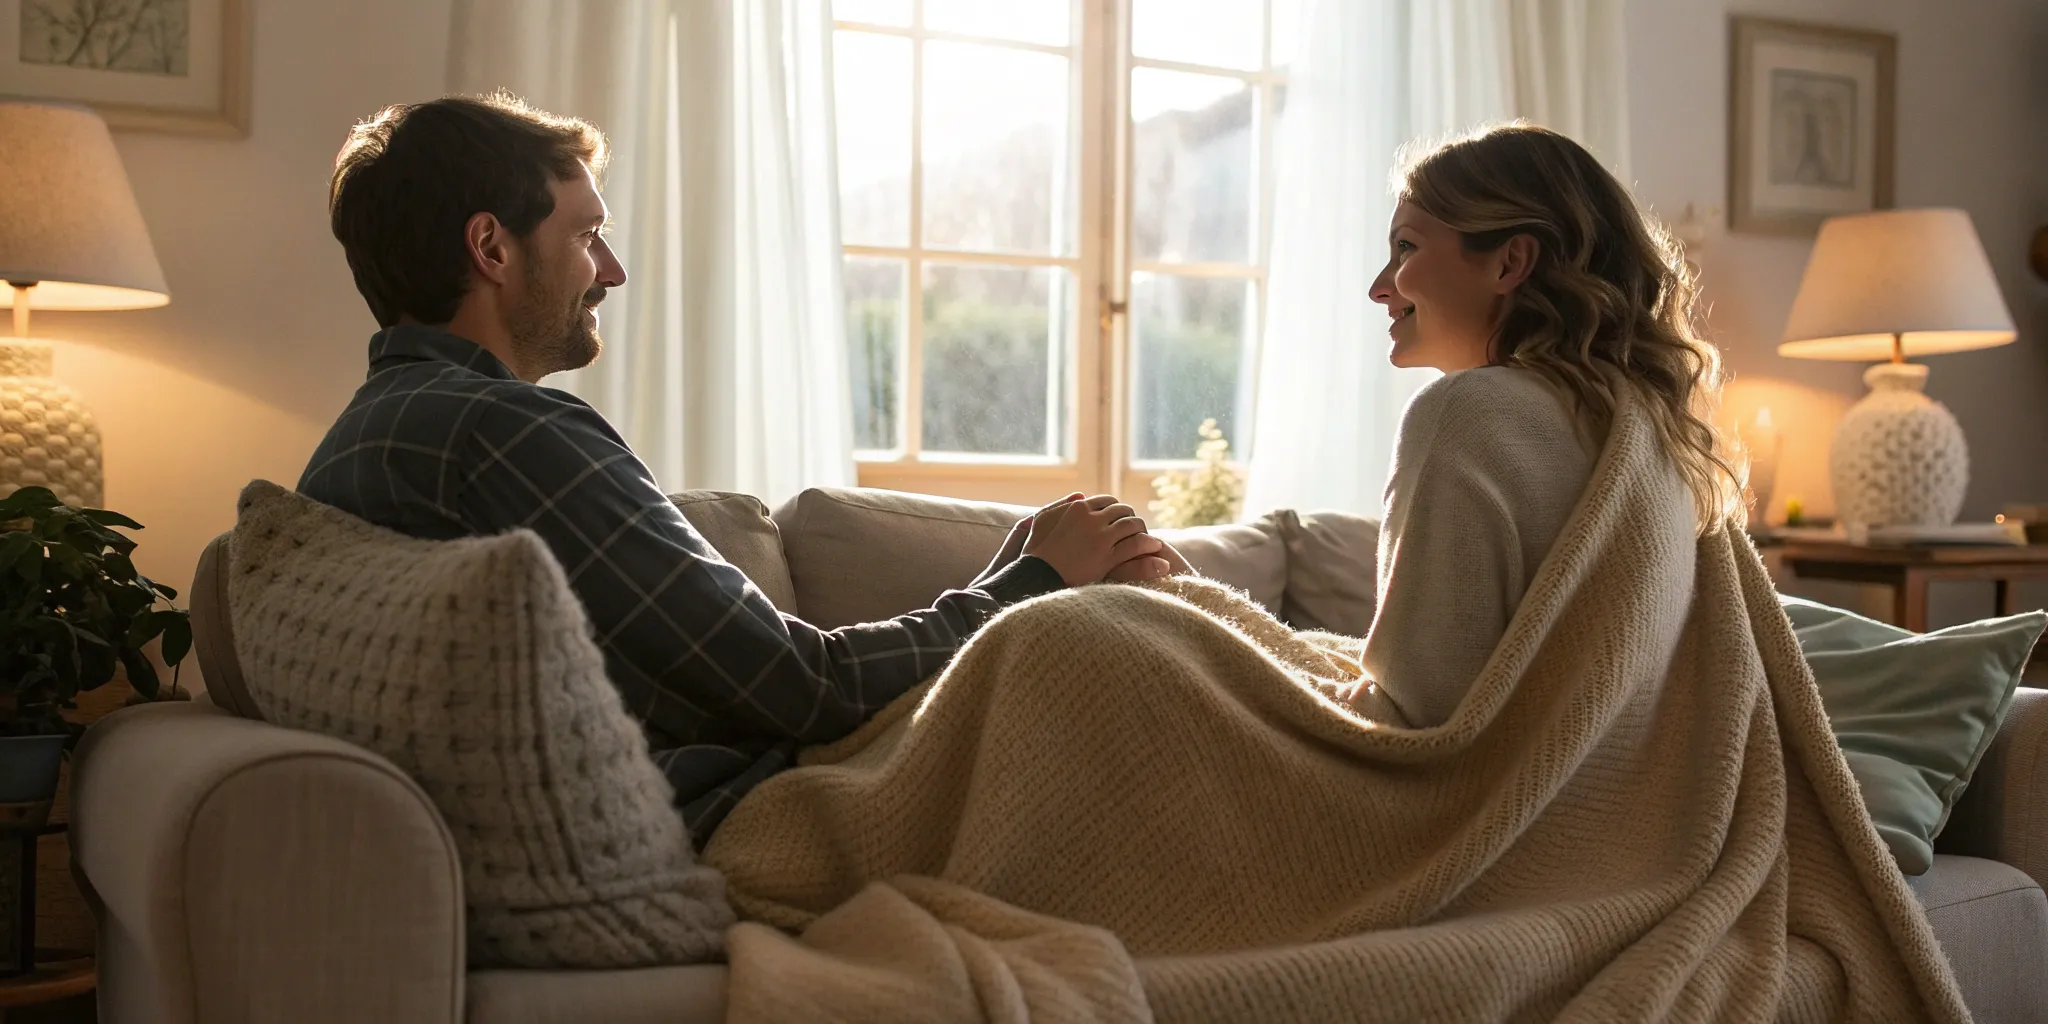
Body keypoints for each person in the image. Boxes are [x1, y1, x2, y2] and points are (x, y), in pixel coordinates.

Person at [299, 92, 1176, 841]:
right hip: (760, 814)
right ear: (492, 248)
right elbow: (804, 688)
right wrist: (1029, 585)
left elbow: (747, 676)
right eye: (587, 234)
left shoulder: (361, 442)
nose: (613, 270)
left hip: (719, 786)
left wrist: (1009, 577)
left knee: (1130, 636)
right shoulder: (506, 433)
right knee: (1131, 648)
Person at [1349, 122, 1740, 728]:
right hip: (1605, 808)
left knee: (1154, 643)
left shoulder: (1464, 412)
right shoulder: (1650, 428)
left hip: (1474, 814)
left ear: (1511, 261)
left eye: (1406, 248)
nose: (1380, 288)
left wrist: (1196, 614)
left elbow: (1411, 721)